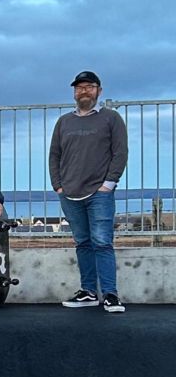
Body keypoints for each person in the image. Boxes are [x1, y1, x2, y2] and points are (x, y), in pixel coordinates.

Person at [49, 70, 129, 313]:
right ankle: (88, 292)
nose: (84, 91)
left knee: (102, 243)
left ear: (99, 91)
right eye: (79, 88)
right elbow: (54, 155)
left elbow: (120, 152)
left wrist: (109, 184)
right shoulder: (64, 122)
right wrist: (58, 185)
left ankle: (111, 295)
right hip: (69, 194)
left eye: (89, 87)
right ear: (74, 92)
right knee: (82, 243)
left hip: (99, 193)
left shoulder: (111, 118)